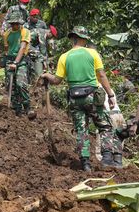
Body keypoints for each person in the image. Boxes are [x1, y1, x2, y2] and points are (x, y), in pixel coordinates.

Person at [40, 26, 122, 171]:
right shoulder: (92, 53)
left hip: (74, 98)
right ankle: (107, 159)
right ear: (83, 39)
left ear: (73, 38)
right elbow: (102, 76)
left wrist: (47, 75)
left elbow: (57, 80)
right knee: (105, 126)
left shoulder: (64, 56)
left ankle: (85, 163)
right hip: (92, 96)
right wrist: (110, 94)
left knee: (81, 130)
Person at [3, 13, 32, 117]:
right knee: (10, 85)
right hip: (9, 60)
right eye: (13, 24)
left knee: (21, 84)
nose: (15, 26)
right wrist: (4, 61)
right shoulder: (7, 34)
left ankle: (27, 107)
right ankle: (17, 108)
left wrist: (16, 62)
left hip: (21, 61)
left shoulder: (25, 32)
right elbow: (6, 49)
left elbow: (22, 47)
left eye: (17, 23)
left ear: (20, 23)